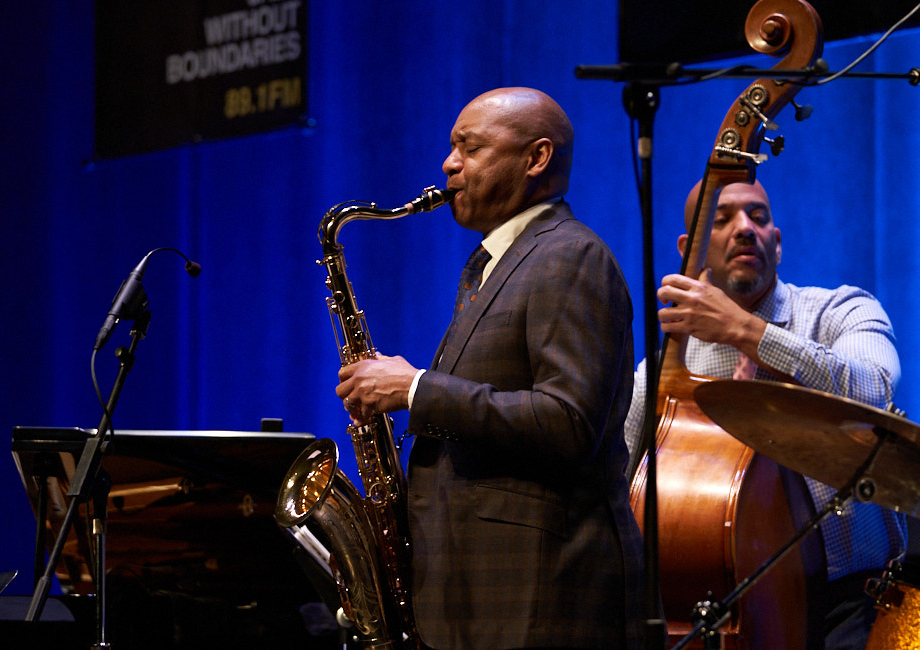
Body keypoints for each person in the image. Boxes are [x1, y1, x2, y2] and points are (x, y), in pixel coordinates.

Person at [335, 87, 650, 649]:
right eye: (452, 147)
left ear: (536, 158)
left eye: (470, 147)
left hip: (540, 599)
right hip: (473, 596)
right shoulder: (492, 263)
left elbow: (569, 421)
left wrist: (416, 389)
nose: (448, 163)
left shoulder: (570, 255)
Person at [624, 179, 907, 650]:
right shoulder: (661, 374)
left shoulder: (841, 311)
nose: (744, 229)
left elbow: (873, 387)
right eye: (721, 219)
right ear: (690, 251)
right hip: (735, 612)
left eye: (758, 216)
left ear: (777, 239)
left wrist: (745, 331)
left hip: (856, 601)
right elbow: (617, 478)